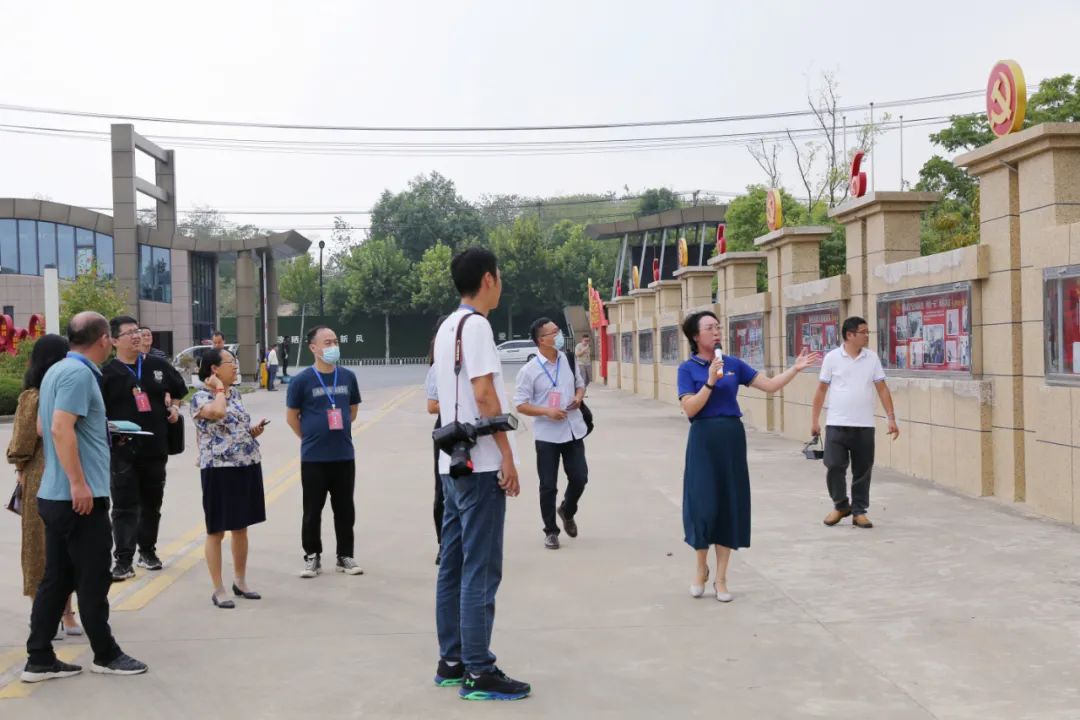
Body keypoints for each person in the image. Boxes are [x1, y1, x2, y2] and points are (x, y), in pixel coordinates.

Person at [22, 311, 148, 683]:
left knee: (57, 579)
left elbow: (50, 426)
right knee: (93, 577)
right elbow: (60, 428)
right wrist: (79, 483)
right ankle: (106, 654)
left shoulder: (57, 371)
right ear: (104, 339)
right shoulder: (78, 374)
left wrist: (99, 433)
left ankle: (39, 658)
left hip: (56, 495)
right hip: (78, 497)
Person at [432, 247, 530, 701]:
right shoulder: (478, 327)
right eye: (500, 275)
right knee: (481, 568)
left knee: (453, 565)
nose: (501, 283)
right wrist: (507, 455)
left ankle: (451, 660)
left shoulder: (447, 327)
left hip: (451, 464)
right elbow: (485, 394)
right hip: (481, 464)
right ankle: (478, 670)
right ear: (488, 279)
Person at [678, 311, 819, 603]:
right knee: (702, 504)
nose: (716, 332)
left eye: (718, 327)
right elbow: (690, 408)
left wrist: (794, 369)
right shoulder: (687, 369)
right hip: (703, 439)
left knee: (728, 502)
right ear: (695, 336)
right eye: (709, 328)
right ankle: (701, 568)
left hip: (731, 438)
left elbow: (769, 386)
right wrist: (710, 381)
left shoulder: (734, 364)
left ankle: (721, 577)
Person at [101, 316, 188, 580]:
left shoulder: (157, 365)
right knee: (124, 507)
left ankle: (148, 552)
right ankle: (123, 560)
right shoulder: (106, 374)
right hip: (122, 451)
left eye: (137, 331)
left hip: (155, 448)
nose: (136, 336)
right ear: (114, 341)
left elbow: (179, 390)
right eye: (129, 333)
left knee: (152, 503)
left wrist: (174, 408)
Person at [7, 334, 82, 637]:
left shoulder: (55, 394)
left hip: (58, 475)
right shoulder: (36, 397)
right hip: (44, 477)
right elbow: (22, 444)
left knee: (58, 547)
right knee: (43, 547)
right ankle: (47, 615)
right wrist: (20, 467)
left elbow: (20, 445)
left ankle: (64, 613)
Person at [191, 348, 268, 608]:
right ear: (214, 369)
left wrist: (252, 432)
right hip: (218, 468)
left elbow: (234, 427)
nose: (235, 367)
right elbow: (217, 413)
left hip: (245, 464)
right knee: (216, 531)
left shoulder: (235, 394)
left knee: (241, 527)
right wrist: (219, 389)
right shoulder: (200, 396)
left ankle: (240, 581)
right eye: (230, 363)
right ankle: (218, 588)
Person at [286, 326, 364, 578]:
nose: (333, 347)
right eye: (327, 343)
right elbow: (291, 417)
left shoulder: (348, 377)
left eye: (335, 342)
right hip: (314, 458)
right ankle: (312, 556)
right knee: (312, 511)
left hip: (343, 455)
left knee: (345, 510)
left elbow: (352, 411)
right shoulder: (301, 381)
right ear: (313, 348)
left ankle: (345, 556)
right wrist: (310, 437)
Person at [811, 316, 899, 530]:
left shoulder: (872, 358)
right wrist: (814, 420)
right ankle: (841, 505)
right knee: (834, 465)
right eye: (863, 332)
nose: (867, 336)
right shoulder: (832, 358)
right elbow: (821, 390)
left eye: (867, 332)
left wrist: (891, 417)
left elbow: (882, 388)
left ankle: (859, 511)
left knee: (862, 470)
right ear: (850, 335)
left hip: (864, 424)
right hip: (836, 423)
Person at [514, 318, 588, 550]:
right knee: (548, 485)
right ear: (542, 340)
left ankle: (567, 510)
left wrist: (578, 397)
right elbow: (520, 404)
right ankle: (551, 531)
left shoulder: (568, 359)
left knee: (580, 478)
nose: (559, 335)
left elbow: (580, 384)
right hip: (547, 435)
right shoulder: (529, 371)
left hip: (573, 429)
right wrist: (547, 411)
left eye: (558, 330)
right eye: (554, 332)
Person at [425, 315, 448, 566]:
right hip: (446, 431)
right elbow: (432, 406)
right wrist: (457, 402)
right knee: (443, 489)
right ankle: (444, 544)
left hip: (473, 429)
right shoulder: (438, 368)